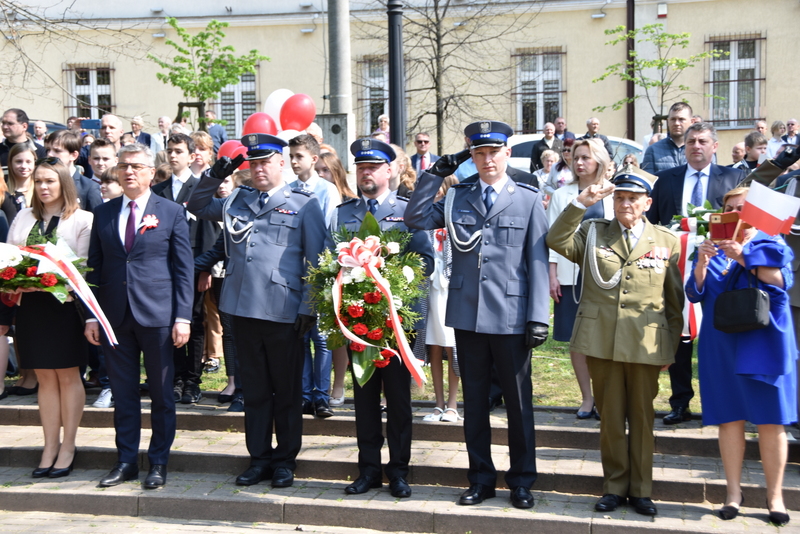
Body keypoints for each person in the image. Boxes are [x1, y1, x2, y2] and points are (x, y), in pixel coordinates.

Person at [406, 120, 550, 510]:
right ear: (470, 156)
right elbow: (414, 219)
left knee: (519, 405)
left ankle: (521, 480)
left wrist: (539, 316)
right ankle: (481, 478)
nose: (487, 160)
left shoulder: (528, 198)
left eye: (493, 152)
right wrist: (434, 174)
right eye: (479, 153)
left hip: (512, 315)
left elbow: (537, 260)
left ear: (507, 153)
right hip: (468, 315)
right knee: (474, 405)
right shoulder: (457, 197)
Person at [187, 133, 326, 490]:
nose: (260, 169)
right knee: (256, 390)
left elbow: (315, 260)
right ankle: (259, 458)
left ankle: (285, 460)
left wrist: (309, 308)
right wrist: (219, 171)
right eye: (254, 163)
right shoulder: (237, 197)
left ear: (282, 163)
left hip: (284, 312)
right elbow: (197, 205)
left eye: (266, 162)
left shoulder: (304, 204)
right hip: (242, 307)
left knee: (287, 391)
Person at [546, 166, 683, 516]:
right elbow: (556, 240)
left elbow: (673, 301)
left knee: (642, 417)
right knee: (609, 418)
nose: (625, 204)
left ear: (647, 203)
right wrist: (581, 203)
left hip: (645, 343)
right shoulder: (593, 232)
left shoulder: (666, 241)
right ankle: (614, 487)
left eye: (633, 199)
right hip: (602, 340)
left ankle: (641, 490)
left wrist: (670, 347)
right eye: (620, 197)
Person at [86, 143, 194, 490]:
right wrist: (92, 317)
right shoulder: (104, 213)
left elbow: (183, 269)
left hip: (159, 316)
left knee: (162, 393)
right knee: (123, 392)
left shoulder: (171, 211)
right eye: (123, 166)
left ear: (151, 172)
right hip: (115, 317)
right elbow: (96, 267)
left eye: (136, 166)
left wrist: (183, 317)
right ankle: (126, 460)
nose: (129, 171)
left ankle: (159, 462)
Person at [686, 187, 795, 526]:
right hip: (722, 345)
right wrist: (702, 263)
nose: (736, 214)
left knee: (770, 421)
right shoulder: (712, 249)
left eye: (742, 209)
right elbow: (694, 291)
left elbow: (780, 281)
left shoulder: (771, 244)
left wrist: (742, 257)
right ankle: (733, 493)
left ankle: (775, 496)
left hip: (765, 343)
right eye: (730, 209)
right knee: (729, 418)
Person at [331, 138, 433, 499]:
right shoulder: (343, 214)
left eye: (373, 167)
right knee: (364, 401)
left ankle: (400, 472)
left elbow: (426, 262)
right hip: (358, 324)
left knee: (399, 402)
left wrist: (395, 282)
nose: (366, 173)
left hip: (395, 325)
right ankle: (369, 470)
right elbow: (332, 264)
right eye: (360, 167)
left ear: (389, 171)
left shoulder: (408, 211)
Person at [648, 122, 746, 425]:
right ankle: (680, 402)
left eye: (703, 141)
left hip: (721, 272)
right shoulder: (665, 180)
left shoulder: (733, 177)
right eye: (691, 141)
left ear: (714, 146)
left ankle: (727, 403)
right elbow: (651, 224)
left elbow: (746, 223)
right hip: (675, 270)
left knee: (721, 334)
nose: (696, 146)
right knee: (679, 333)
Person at [0, 158, 93, 478]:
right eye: (38, 181)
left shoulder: (82, 219)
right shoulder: (24, 216)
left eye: (49, 181)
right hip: (31, 308)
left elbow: (82, 268)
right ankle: (49, 445)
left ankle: (68, 446)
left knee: (67, 376)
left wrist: (51, 277)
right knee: (44, 377)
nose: (42, 187)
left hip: (64, 308)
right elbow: (9, 257)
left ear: (63, 184)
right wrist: (16, 277)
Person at [546, 139, 615, 419]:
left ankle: (605, 397)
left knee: (604, 339)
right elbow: (551, 236)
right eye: (576, 158)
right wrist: (552, 275)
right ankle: (587, 398)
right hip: (570, 277)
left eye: (586, 157)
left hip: (606, 278)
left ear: (599, 160)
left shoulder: (613, 192)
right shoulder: (563, 195)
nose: (579, 163)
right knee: (577, 340)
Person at [153, 133, 221, 405]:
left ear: (192, 155)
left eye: (178, 151)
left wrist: (205, 270)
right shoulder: (158, 190)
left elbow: (209, 232)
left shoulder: (201, 188)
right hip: (163, 269)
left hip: (193, 265)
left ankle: (192, 380)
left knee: (193, 320)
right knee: (168, 322)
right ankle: (176, 379)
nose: (172, 156)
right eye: (169, 150)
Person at [288, 134, 340, 418]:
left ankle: (321, 395)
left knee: (321, 337)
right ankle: (304, 393)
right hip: (295, 275)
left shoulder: (327, 191)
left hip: (320, 272)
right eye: (291, 157)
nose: (294, 162)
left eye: (299, 156)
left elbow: (331, 235)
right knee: (300, 335)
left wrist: (324, 274)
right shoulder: (287, 190)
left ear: (314, 158)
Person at [315, 151, 355, 406]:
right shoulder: (309, 198)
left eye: (325, 170)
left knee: (346, 331)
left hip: (350, 273)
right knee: (329, 333)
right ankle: (328, 385)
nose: (321, 175)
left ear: (337, 173)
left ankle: (341, 383)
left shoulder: (350, 202)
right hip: (321, 270)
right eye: (317, 170)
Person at [420, 175, 461, 423]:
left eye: (440, 191)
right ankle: (438, 403)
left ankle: (453, 404)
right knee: (433, 346)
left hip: (451, 292)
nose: (436, 195)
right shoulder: (425, 221)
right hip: (430, 292)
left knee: (451, 345)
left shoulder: (456, 220)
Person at [44, 130, 103, 212]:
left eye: (57, 151)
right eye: (48, 150)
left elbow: (97, 221)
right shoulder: (43, 184)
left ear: (73, 155)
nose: (50, 154)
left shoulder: (89, 188)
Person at [641, 102, 692, 174]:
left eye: (681, 119)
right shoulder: (653, 150)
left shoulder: (699, 149)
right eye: (673, 119)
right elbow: (648, 182)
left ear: (691, 122)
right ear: (668, 121)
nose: (676, 123)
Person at [0, 108, 47, 173]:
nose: (5, 127)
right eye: (3, 123)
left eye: (10, 124)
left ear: (24, 126)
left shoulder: (39, 151)